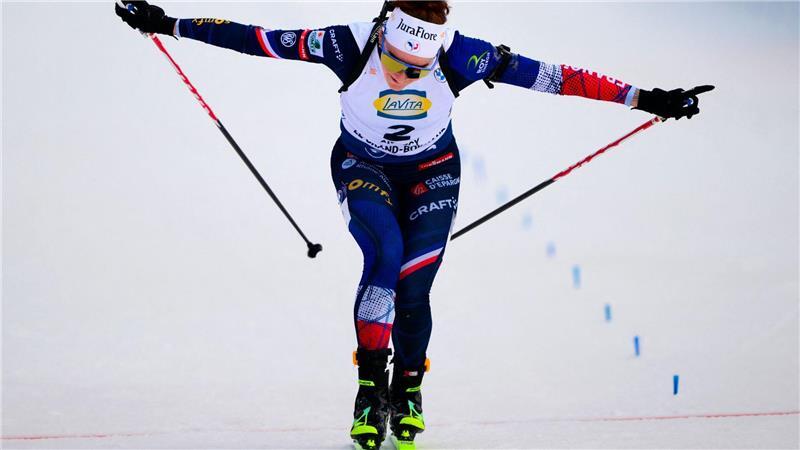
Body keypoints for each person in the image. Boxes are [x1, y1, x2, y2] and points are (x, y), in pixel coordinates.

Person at [115, 1, 711, 448]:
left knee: (414, 285)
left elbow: (553, 76)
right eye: (398, 63)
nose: (405, 75)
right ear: (383, 35)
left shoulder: (462, 54)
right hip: (362, 166)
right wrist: (168, 23)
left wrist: (646, 98)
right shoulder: (346, 43)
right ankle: (370, 390)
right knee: (383, 258)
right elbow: (255, 39)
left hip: (433, 171)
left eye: (419, 67)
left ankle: (408, 390)